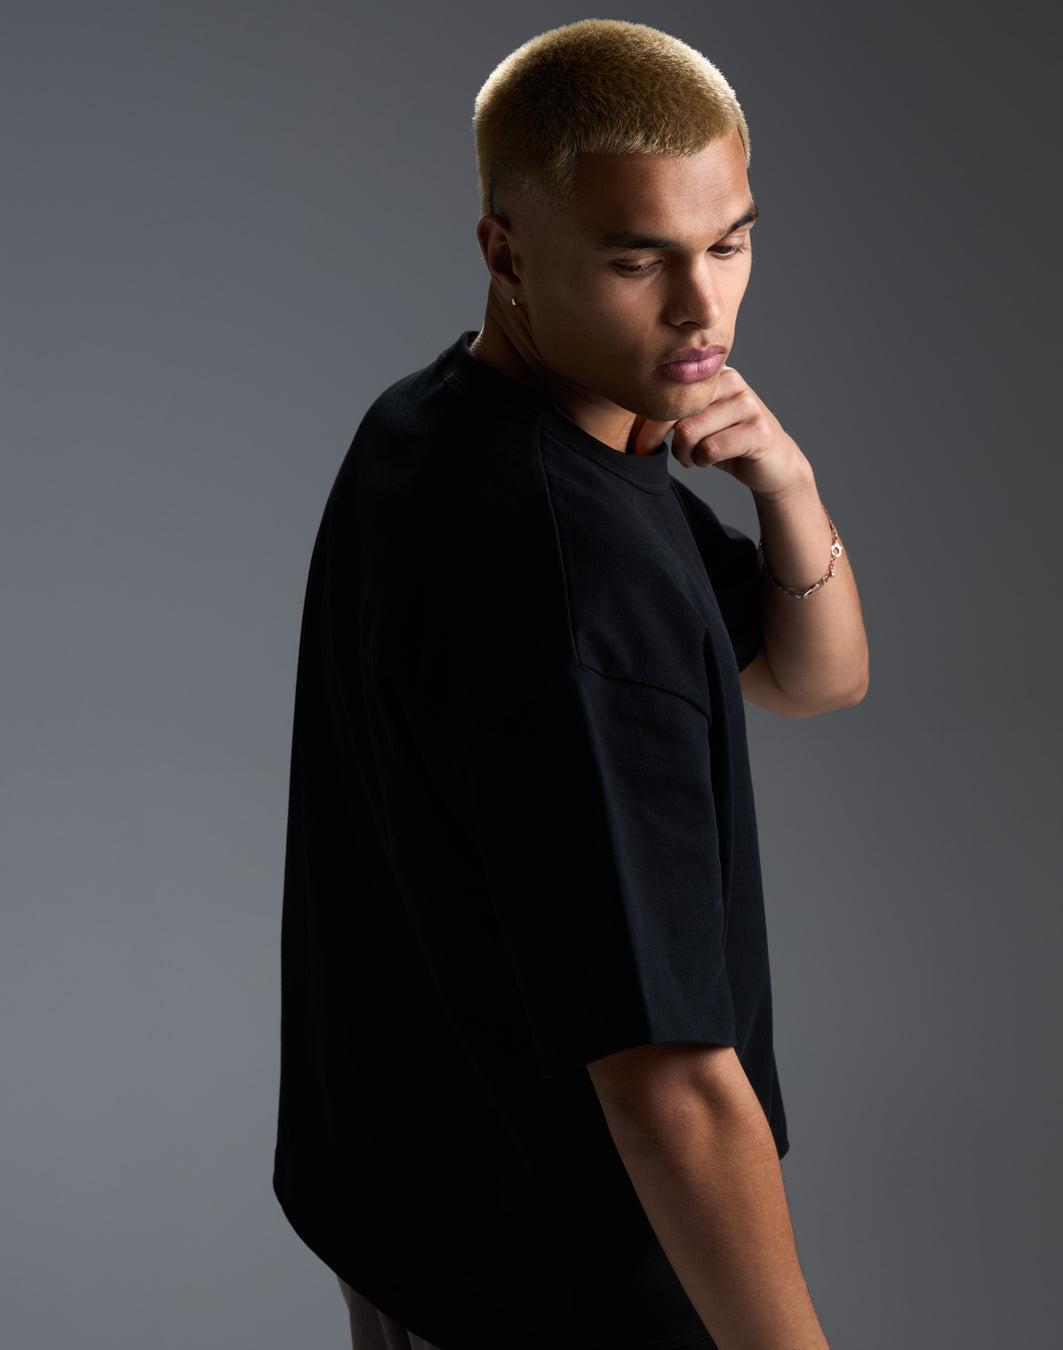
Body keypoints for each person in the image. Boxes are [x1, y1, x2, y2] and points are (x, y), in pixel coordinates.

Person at [273, 18, 868, 1350]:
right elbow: (669, 1087)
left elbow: (813, 674)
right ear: (506, 253)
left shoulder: (443, 424)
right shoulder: (575, 570)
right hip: (563, 1277)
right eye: (637, 259)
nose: (702, 308)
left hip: (412, 1213)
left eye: (730, 243)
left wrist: (786, 483)